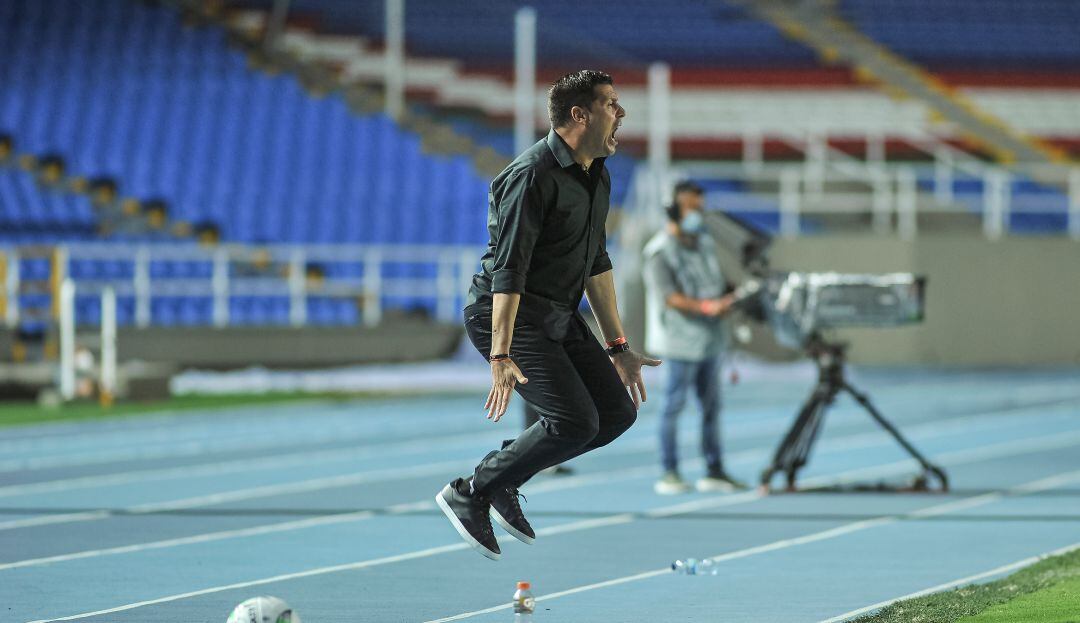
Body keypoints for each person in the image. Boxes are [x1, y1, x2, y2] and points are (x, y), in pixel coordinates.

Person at [436, 70, 660, 560]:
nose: (621, 113)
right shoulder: (530, 175)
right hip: (509, 315)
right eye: (611, 104)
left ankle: (501, 479)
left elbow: (596, 264)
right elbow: (509, 271)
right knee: (574, 421)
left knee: (616, 414)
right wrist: (500, 353)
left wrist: (619, 347)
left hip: (558, 314)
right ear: (580, 115)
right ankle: (473, 490)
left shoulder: (597, 174)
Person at [642, 181, 746, 495]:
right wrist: (707, 307)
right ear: (673, 210)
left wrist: (732, 294)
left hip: (709, 339)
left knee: (712, 407)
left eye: (700, 208)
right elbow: (669, 296)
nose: (698, 214)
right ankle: (669, 471)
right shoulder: (659, 251)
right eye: (692, 208)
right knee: (673, 406)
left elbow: (715, 281)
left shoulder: (704, 243)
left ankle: (715, 470)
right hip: (679, 342)